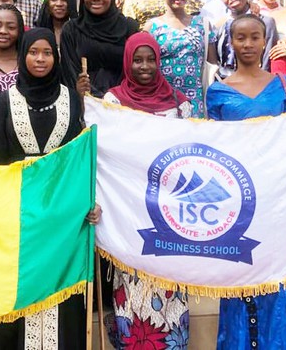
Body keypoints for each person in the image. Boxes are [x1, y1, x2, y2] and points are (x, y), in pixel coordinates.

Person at [0, 28, 101, 350]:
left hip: (63, 219)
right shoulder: (5, 101)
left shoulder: (71, 99)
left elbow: (81, 158)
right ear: (23, 55)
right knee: (18, 294)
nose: (40, 59)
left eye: (47, 53)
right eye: (33, 52)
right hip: (19, 217)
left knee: (62, 299)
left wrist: (88, 203)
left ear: (56, 56)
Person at [205, 14, 286, 349]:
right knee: (239, 280)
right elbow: (212, 150)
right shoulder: (217, 92)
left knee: (275, 279)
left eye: (255, 37)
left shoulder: (283, 86)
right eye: (241, 38)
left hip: (274, 198)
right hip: (235, 202)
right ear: (230, 43)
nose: (248, 44)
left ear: (265, 41)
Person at [105, 33, 191, 349]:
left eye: (150, 59)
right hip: (128, 210)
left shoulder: (180, 105)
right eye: (137, 60)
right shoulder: (112, 102)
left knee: (170, 289)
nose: (144, 66)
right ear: (128, 62)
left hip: (170, 213)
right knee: (132, 290)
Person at [144, 0, 217, 118]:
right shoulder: (152, 26)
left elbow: (212, 64)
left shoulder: (202, 24)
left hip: (195, 101)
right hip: (163, 101)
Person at [60, 0, 139, 96]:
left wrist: (114, 97)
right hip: (85, 101)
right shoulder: (72, 30)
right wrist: (93, 96)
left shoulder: (129, 27)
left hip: (123, 101)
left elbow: (135, 69)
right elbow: (70, 71)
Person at [215, 0, 278, 73]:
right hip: (225, 83)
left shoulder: (266, 22)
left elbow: (268, 59)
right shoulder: (220, 27)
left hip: (256, 83)